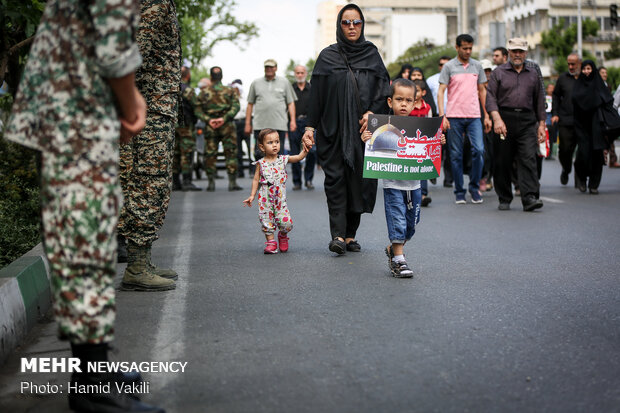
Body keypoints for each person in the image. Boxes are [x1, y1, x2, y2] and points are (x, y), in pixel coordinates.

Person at [4, 0, 165, 411]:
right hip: (73, 111)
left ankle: (94, 370)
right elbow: (111, 36)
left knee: (87, 236)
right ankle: (91, 388)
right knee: (85, 239)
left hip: (69, 104)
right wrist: (131, 106)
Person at [302, 3, 391, 255]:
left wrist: (373, 112)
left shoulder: (372, 54)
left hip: (365, 132)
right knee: (336, 181)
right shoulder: (327, 57)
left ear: (362, 25)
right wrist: (310, 126)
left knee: (360, 183)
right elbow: (316, 97)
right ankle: (338, 235)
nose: (351, 27)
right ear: (339, 26)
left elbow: (383, 91)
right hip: (333, 132)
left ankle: (351, 235)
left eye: (356, 22)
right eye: (346, 22)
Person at [486, 38, 546, 212]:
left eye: (520, 51)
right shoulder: (498, 72)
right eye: (514, 51)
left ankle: (529, 197)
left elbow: (539, 101)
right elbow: (491, 97)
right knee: (502, 160)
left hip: (527, 121)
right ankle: (504, 197)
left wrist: (541, 125)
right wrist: (496, 119)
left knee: (528, 158)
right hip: (504, 119)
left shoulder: (533, 73)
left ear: (526, 53)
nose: (517, 54)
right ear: (509, 52)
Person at [437, 33, 490, 204]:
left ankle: (474, 188)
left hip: (474, 116)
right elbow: (441, 91)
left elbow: (482, 90)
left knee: (479, 150)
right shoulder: (449, 67)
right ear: (457, 47)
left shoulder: (477, 66)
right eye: (464, 48)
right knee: (456, 155)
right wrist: (442, 116)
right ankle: (459, 191)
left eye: (470, 48)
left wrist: (487, 114)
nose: (468, 51)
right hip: (454, 116)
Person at [242, 128, 308, 253]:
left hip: (280, 199)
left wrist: (304, 151)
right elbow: (256, 180)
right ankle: (271, 243)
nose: (275, 145)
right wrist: (252, 195)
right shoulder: (260, 163)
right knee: (266, 220)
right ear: (262, 147)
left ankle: (283, 235)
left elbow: (298, 157)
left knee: (286, 223)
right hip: (265, 197)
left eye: (277, 142)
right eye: (270, 142)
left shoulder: (283, 159)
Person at [194, 66, 242, 192]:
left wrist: (208, 119)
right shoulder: (230, 91)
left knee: (210, 154)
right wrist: (225, 118)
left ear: (211, 77)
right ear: (221, 76)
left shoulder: (204, 92)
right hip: (227, 126)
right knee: (231, 153)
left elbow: (197, 110)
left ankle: (211, 183)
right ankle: (232, 182)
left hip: (211, 126)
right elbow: (236, 106)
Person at [572, 60, 613, 194]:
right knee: (583, 155)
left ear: (593, 70)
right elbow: (574, 102)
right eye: (584, 69)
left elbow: (608, 101)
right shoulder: (578, 86)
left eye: (589, 69)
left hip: (597, 126)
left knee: (597, 155)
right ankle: (582, 180)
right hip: (581, 126)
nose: (586, 72)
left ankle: (594, 184)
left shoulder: (599, 86)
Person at [245, 59, 297, 160]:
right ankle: (261, 175)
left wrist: (293, 121)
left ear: (276, 68)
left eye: (271, 67)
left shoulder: (284, 82)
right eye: (267, 67)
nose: (269, 69)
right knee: (260, 153)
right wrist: (247, 124)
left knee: (278, 153)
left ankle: (278, 175)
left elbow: (291, 103)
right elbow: (250, 104)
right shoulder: (256, 83)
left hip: (279, 125)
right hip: (260, 125)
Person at [552, 53, 581, 187]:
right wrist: (555, 113)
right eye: (568, 63)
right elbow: (556, 96)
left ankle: (580, 179)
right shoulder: (562, 78)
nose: (570, 66)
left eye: (573, 64)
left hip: (582, 122)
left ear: (579, 63)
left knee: (583, 151)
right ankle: (566, 169)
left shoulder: (585, 78)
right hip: (565, 120)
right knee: (564, 149)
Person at [426, 55, 453, 187]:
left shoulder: (454, 78)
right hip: (436, 116)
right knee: (435, 146)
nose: (444, 67)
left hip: (453, 116)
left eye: (446, 64)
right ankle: (432, 172)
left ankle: (448, 179)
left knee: (450, 148)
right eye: (441, 64)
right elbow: (428, 99)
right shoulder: (431, 80)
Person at [173, 65, 201, 191]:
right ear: (188, 75)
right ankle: (187, 181)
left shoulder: (171, 88)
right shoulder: (188, 90)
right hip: (186, 126)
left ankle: (175, 182)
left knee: (175, 153)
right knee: (187, 153)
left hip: (173, 126)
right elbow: (196, 108)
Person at [290, 65, 317, 190]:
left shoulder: (312, 88)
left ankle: (308, 180)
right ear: (295, 74)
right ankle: (297, 182)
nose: (300, 75)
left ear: (306, 73)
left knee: (311, 152)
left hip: (309, 123)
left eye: (302, 72)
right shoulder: (291, 89)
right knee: (294, 152)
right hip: (294, 122)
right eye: (297, 73)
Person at [408, 79, 433, 207]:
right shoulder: (408, 106)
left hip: (423, 143)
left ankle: (423, 195)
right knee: (410, 169)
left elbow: (430, 125)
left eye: (417, 90)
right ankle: (410, 195)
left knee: (422, 169)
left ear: (423, 92)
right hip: (409, 142)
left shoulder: (427, 107)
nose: (414, 93)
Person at [232, 79, 251, 177]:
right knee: (237, 149)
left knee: (250, 147)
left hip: (245, 122)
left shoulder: (246, 98)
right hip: (235, 123)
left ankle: (252, 170)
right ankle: (240, 171)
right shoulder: (231, 99)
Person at [545, 83, 557, 161]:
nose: (551, 90)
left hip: (553, 121)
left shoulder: (556, 99)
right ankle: (545, 153)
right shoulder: (543, 98)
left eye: (553, 88)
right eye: (550, 88)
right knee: (546, 138)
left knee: (552, 138)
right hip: (546, 120)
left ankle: (550, 153)